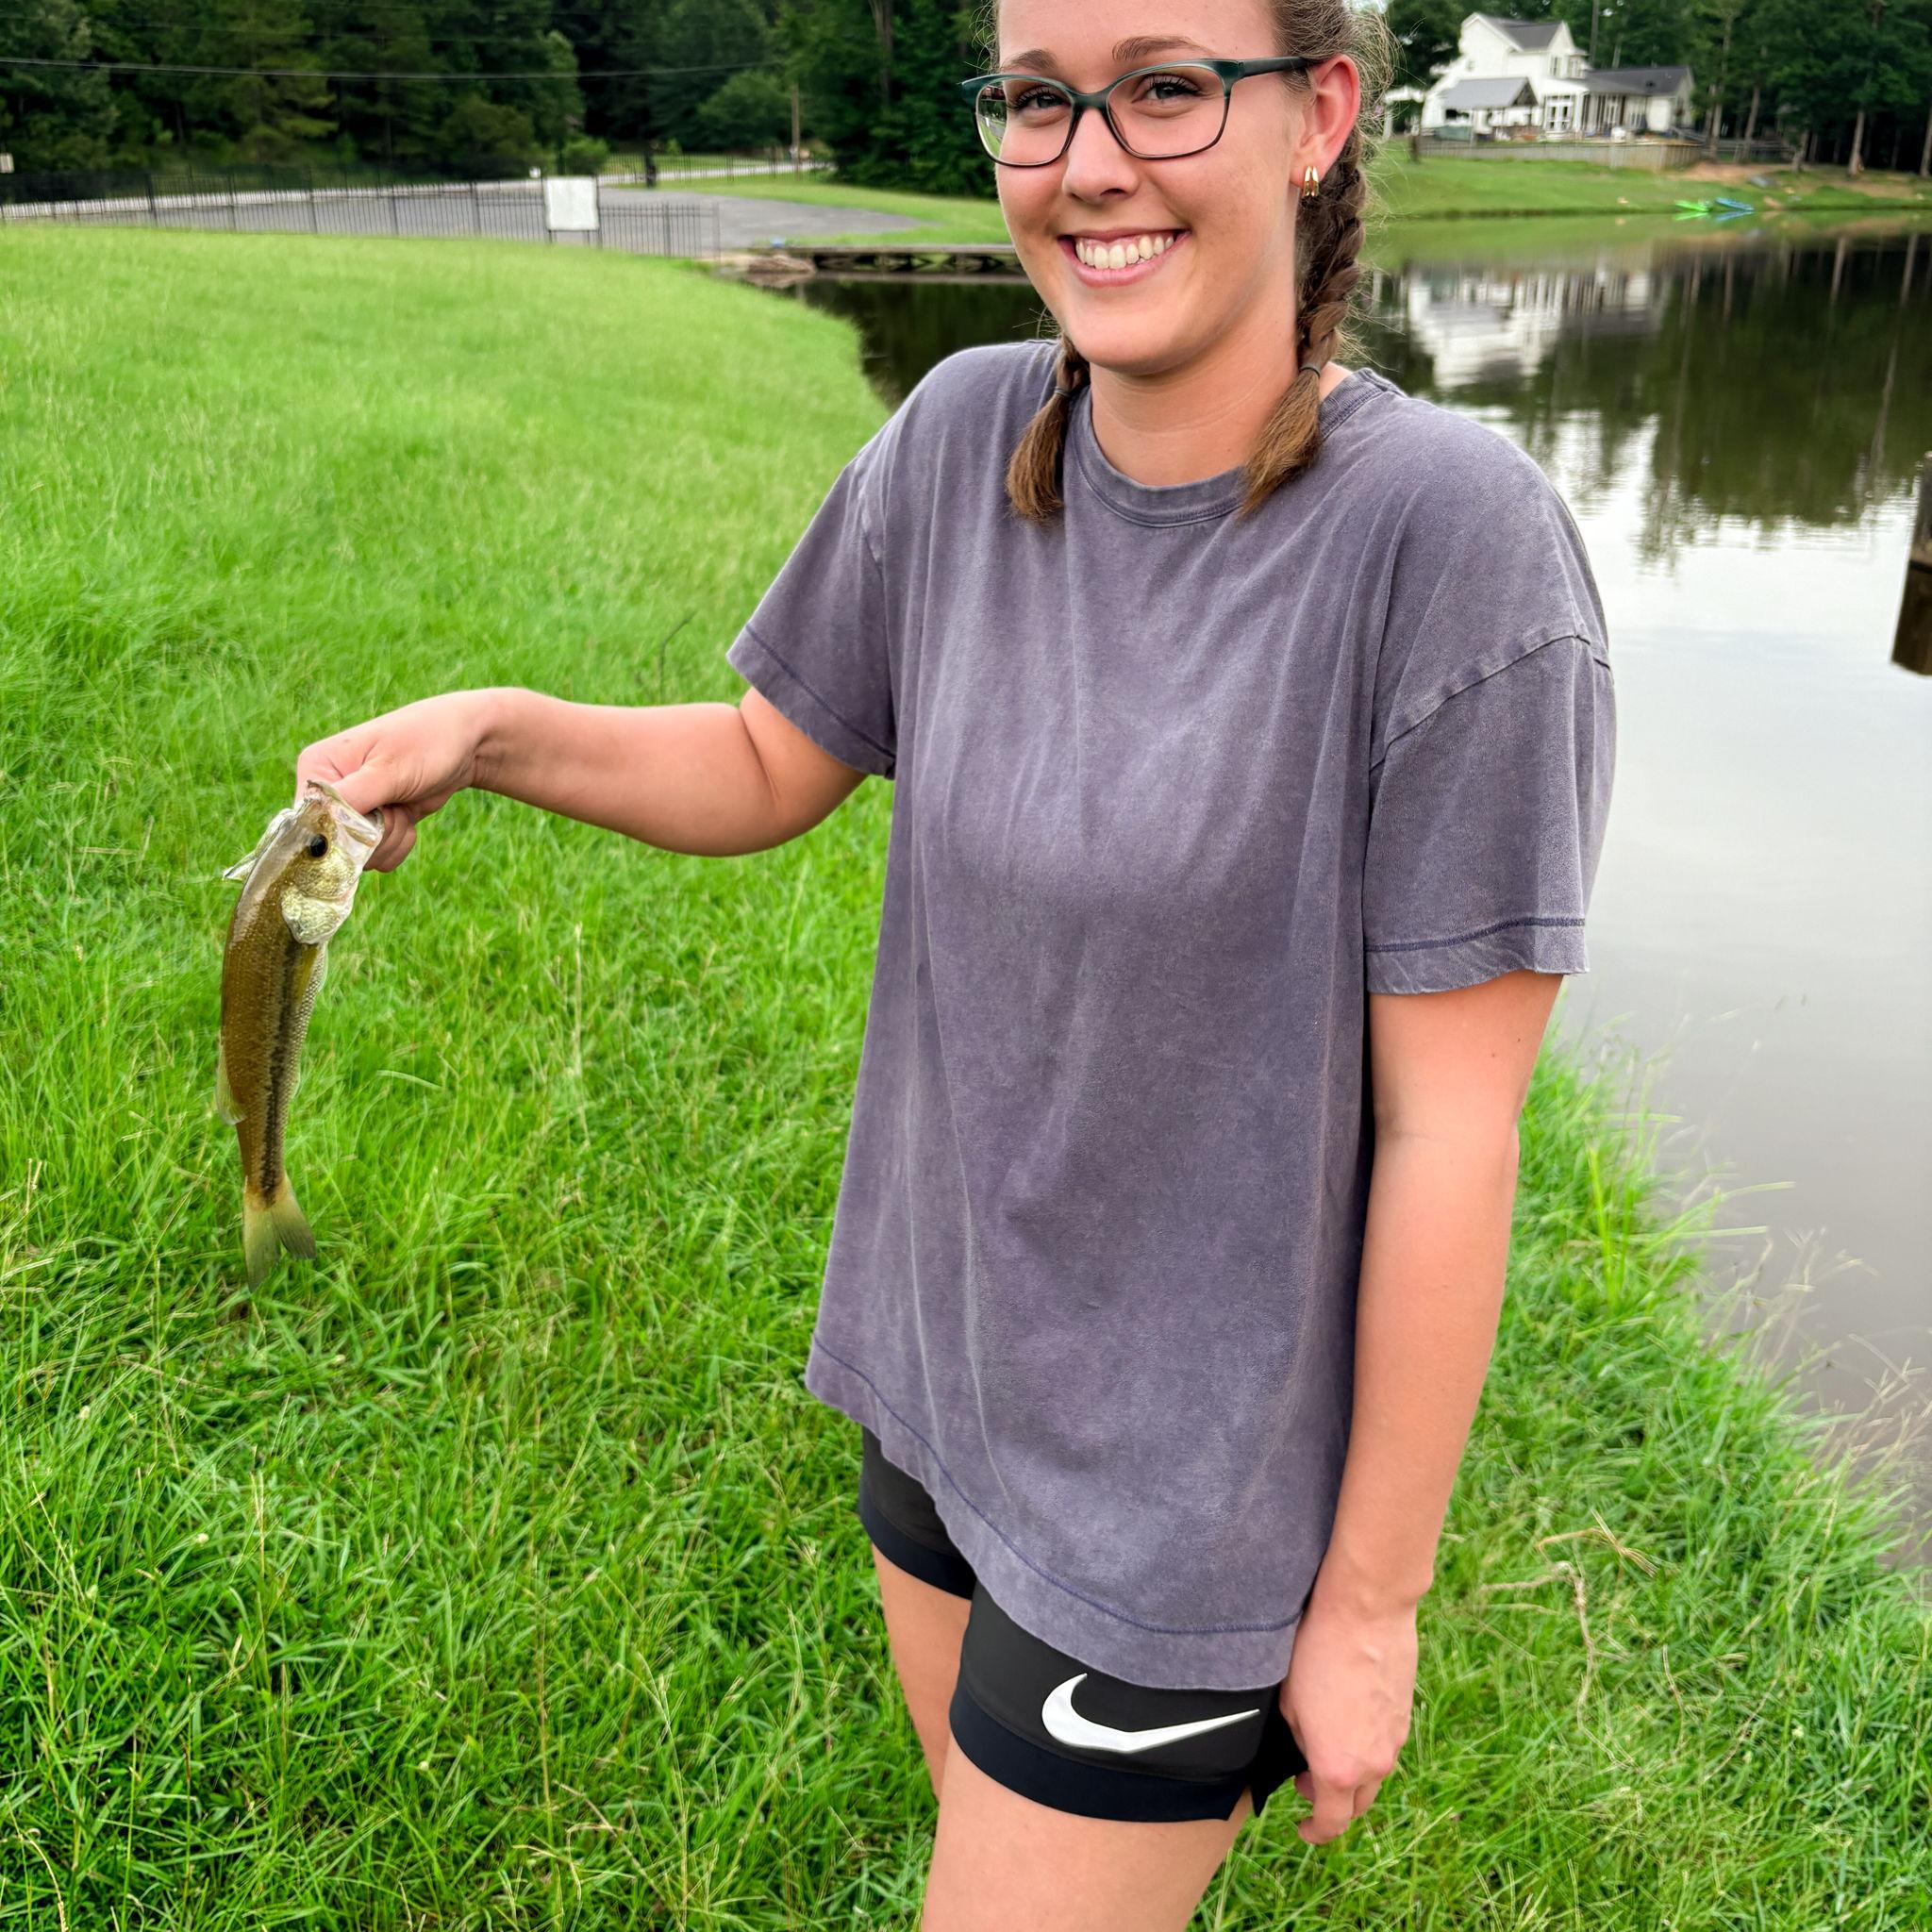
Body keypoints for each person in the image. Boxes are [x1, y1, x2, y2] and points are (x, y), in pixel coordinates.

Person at [295, 2, 1617, 1924]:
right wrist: (491, 730)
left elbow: (1450, 1132)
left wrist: (1369, 1604)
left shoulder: (1450, 546)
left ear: (1318, 114)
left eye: (1167, 87)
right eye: (1034, 97)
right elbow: (769, 759)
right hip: (939, 1380)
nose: (1086, 164)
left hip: (1176, 1499)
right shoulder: (958, 435)